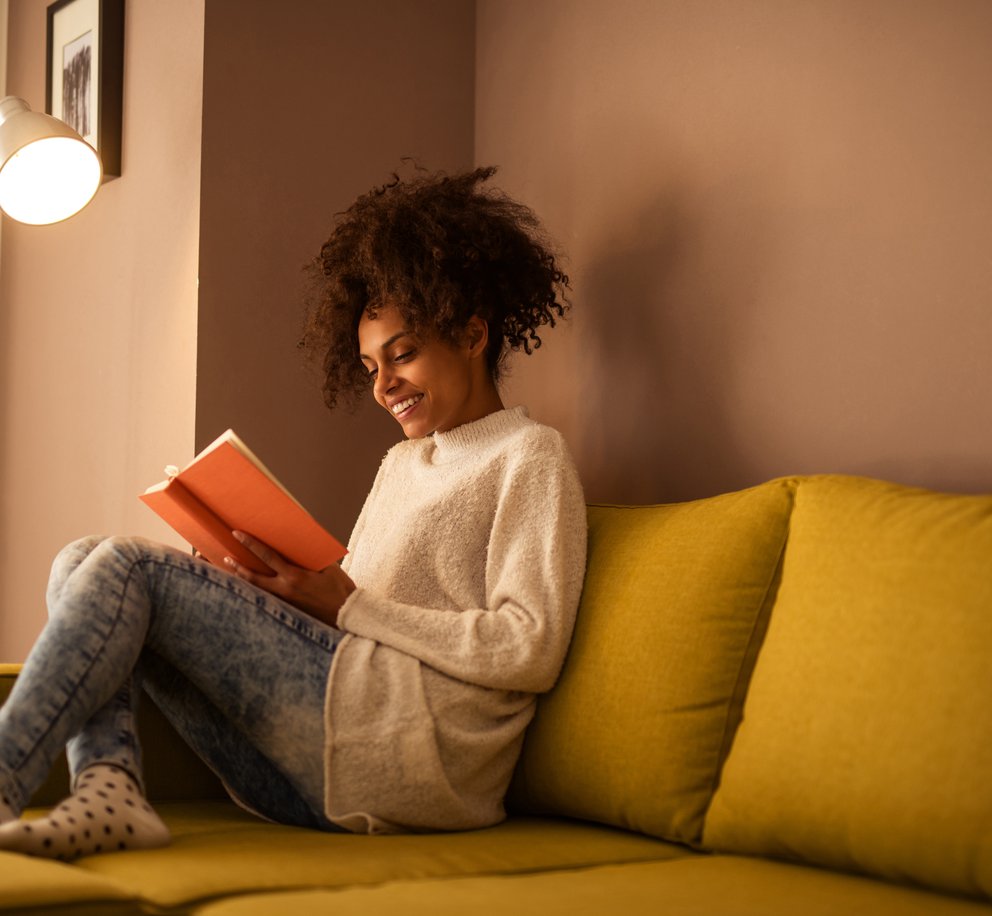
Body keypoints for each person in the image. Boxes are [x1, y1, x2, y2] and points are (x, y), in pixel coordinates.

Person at [0, 166, 587, 858]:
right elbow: (348, 612)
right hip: (320, 758)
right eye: (370, 366)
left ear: (472, 334)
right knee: (82, 559)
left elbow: (530, 647)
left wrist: (346, 606)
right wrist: (254, 584)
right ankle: (110, 789)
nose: (385, 385)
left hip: (419, 762)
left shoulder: (530, 455)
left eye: (402, 355)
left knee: (127, 566)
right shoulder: (403, 464)